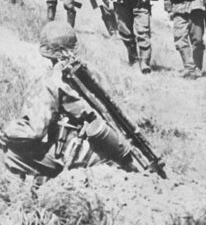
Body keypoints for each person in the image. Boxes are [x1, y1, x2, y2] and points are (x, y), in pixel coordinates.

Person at [0, 22, 134, 184]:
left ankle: (22, 192)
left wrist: (7, 132)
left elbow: (34, 132)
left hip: (78, 157)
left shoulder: (51, 81)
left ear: (47, 53)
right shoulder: (92, 72)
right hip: (108, 149)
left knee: (12, 151)